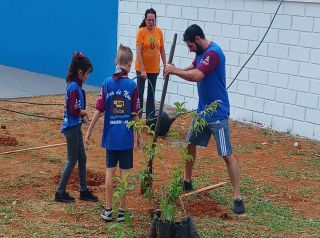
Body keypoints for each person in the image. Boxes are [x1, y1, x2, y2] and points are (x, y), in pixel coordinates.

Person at [164, 24, 245, 214]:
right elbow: (193, 67)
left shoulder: (213, 54)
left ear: (198, 39)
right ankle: (187, 181)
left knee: (226, 154)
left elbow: (197, 76)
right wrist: (174, 69)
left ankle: (237, 197)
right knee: (190, 144)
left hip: (217, 113)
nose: (190, 49)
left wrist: (175, 71)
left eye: (190, 46)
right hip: (202, 112)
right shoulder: (201, 52)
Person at [85, 44, 141, 222]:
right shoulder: (132, 86)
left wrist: (89, 129)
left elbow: (98, 109)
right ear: (130, 64)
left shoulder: (107, 83)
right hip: (125, 139)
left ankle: (108, 210)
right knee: (124, 174)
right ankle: (122, 212)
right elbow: (135, 115)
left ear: (116, 62)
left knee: (109, 172)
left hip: (110, 138)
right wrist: (139, 136)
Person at [55, 52, 98, 203]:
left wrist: (83, 117)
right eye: (86, 74)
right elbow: (73, 109)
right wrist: (84, 112)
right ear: (80, 73)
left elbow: (76, 108)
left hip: (75, 126)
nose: (87, 76)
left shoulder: (76, 86)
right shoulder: (73, 87)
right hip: (71, 128)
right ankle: (60, 192)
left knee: (82, 158)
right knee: (72, 160)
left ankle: (84, 191)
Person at [135, 8, 166, 120]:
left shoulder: (158, 31)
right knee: (139, 94)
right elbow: (138, 51)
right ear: (145, 19)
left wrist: (165, 66)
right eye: (149, 20)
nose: (151, 22)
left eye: (153, 20)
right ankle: (137, 119)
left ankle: (150, 120)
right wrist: (143, 70)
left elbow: (162, 49)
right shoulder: (141, 31)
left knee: (151, 95)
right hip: (141, 68)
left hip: (154, 69)